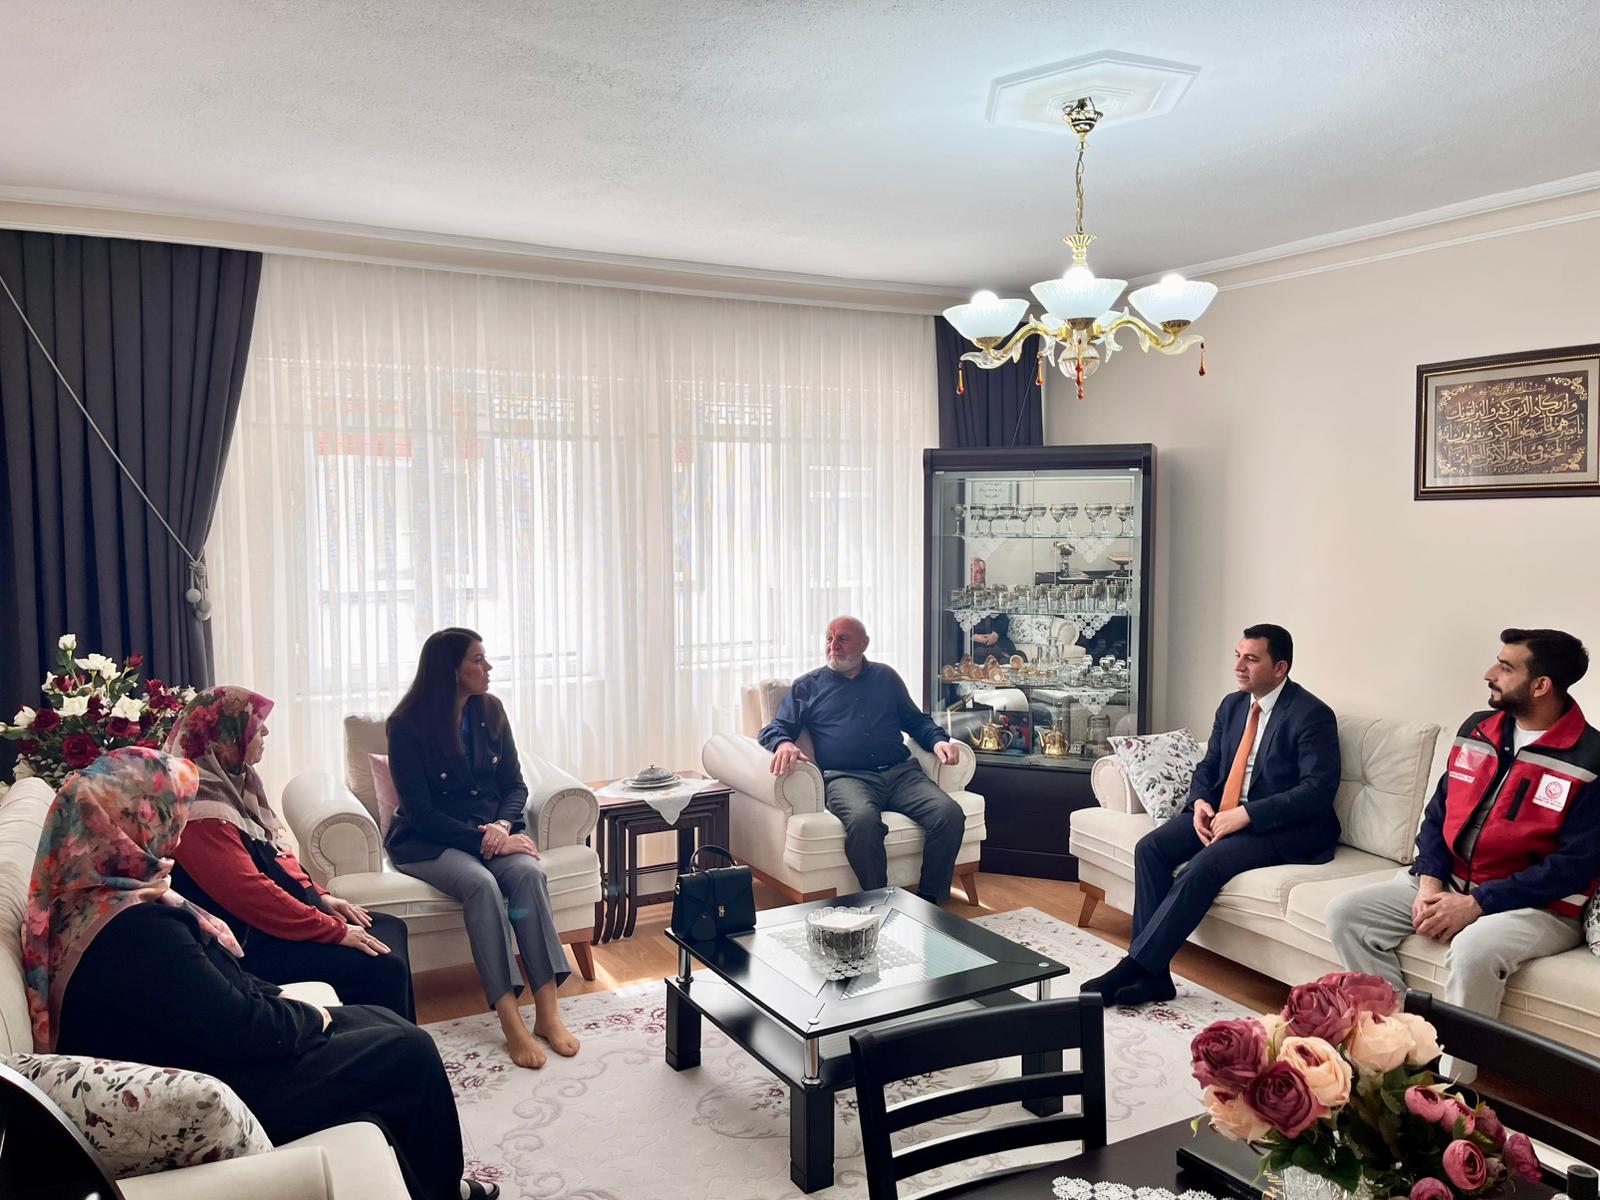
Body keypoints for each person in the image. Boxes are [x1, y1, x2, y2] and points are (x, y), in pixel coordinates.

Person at [25, 747, 499, 1200]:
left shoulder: (100, 897)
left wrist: (285, 1001)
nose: (179, 829)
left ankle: (424, 1179)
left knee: (382, 1021)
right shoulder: (134, 928)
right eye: (171, 814)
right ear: (134, 822)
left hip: (202, 1052)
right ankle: (441, 1190)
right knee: (409, 1051)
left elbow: (209, 996)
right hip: (222, 1082)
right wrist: (312, 1017)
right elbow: (245, 1030)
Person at [1328, 629, 1600, 1076]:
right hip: (1451, 881)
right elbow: (1438, 813)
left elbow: (1573, 866)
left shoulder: (1591, 758)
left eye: (1506, 667)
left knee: (1473, 950)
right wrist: (1430, 881)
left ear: (1541, 685)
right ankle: (1403, 1049)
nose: (1490, 674)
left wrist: (1477, 904)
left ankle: (1453, 1088)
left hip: (1539, 906)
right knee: (1347, 915)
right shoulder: (1477, 729)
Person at [1083, 623, 1341, 1006]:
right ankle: (1156, 977)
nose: (1238, 666)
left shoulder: (1311, 715)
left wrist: (1247, 815)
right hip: (1223, 811)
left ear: (1280, 668)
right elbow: (1210, 764)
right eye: (1237, 655)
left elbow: (1316, 790)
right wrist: (1201, 801)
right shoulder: (1233, 706)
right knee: (1151, 849)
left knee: (1203, 866)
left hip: (1281, 827)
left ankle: (1135, 965)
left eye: (1251, 659)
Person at [386, 627, 579, 1070]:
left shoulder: (490, 710)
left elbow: (515, 785)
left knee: (529, 874)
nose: (488, 668)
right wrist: (485, 839)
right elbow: (420, 813)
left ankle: (547, 1012)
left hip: (492, 832)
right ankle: (511, 1020)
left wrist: (502, 826)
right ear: (451, 670)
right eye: (478, 660)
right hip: (430, 841)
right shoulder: (406, 725)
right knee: (481, 885)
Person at [165, 686, 415, 1020]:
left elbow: (275, 854)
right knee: (383, 965)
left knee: (390, 928)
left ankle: (399, 1038)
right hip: (247, 944)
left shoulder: (235, 782)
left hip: (269, 927)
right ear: (223, 740)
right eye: (256, 726)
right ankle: (384, 1042)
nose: (266, 732)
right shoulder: (200, 812)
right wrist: (334, 930)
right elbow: (250, 894)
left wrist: (320, 896)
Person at [758, 616, 965, 905]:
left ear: (864, 643)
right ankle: (879, 902)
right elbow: (775, 728)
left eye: (842, 639)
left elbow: (916, 720)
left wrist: (939, 741)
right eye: (829, 639)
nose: (833, 646)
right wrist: (783, 743)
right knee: (863, 823)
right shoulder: (807, 686)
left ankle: (930, 902)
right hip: (846, 778)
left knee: (949, 814)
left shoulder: (886, 677)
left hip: (901, 773)